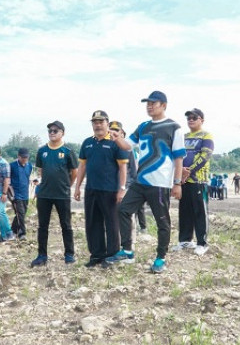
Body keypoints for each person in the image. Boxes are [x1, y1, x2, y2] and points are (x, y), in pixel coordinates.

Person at [107, 91, 186, 274]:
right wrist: (117, 138)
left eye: (153, 103)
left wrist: (177, 183)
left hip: (160, 184)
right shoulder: (143, 126)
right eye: (147, 103)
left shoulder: (174, 127)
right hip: (140, 181)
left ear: (164, 105)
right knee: (123, 210)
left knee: (162, 222)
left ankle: (160, 258)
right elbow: (128, 145)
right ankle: (127, 250)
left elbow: (179, 157)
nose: (149, 106)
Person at [74, 111, 129, 268]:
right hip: (91, 189)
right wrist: (77, 187)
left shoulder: (115, 142)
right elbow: (82, 165)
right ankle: (96, 254)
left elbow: (123, 167)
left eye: (101, 121)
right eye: (95, 122)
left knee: (111, 223)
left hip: (110, 190)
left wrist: (122, 188)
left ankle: (111, 255)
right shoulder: (87, 143)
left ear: (107, 123)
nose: (98, 125)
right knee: (93, 223)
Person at [31, 120, 78, 267]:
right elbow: (41, 171)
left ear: (62, 133)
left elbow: (74, 172)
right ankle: (42, 255)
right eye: (50, 131)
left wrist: (67, 185)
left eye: (55, 131)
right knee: (42, 226)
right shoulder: (42, 151)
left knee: (66, 225)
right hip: (44, 194)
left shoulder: (68, 152)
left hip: (62, 194)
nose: (52, 133)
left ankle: (69, 254)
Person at [172, 108, 214, 256]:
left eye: (194, 117)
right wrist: (179, 172)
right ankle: (185, 240)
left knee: (200, 211)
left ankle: (202, 243)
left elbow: (205, 156)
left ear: (201, 120)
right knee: (184, 211)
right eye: (188, 118)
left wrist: (189, 170)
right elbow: (176, 155)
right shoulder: (183, 137)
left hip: (198, 180)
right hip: (183, 181)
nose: (190, 120)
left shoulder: (206, 136)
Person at [111, 121, 147, 235]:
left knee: (127, 212)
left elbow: (132, 169)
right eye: (111, 129)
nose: (113, 132)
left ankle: (131, 238)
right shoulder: (107, 147)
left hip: (125, 186)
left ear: (121, 132)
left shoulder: (128, 149)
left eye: (116, 130)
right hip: (110, 186)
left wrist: (131, 186)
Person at [10, 147, 33, 239]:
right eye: (23, 157)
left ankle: (12, 230)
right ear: (18, 156)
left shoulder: (29, 166)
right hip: (15, 194)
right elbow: (7, 178)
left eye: (26, 158)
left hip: (25, 194)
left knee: (21, 214)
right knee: (21, 214)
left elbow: (27, 177)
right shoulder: (12, 166)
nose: (24, 159)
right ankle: (22, 233)